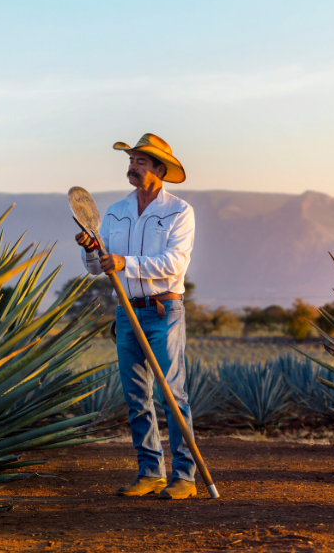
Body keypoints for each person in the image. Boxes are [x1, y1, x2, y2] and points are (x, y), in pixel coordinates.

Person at [76, 133, 197, 500]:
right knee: (135, 396)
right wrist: (90, 249)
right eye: (131, 160)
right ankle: (150, 472)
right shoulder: (115, 212)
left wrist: (125, 262)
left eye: (141, 161)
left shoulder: (179, 211)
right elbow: (98, 267)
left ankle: (186, 476)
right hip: (126, 313)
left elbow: (175, 262)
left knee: (172, 393)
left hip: (164, 311)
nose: (132, 166)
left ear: (160, 169)